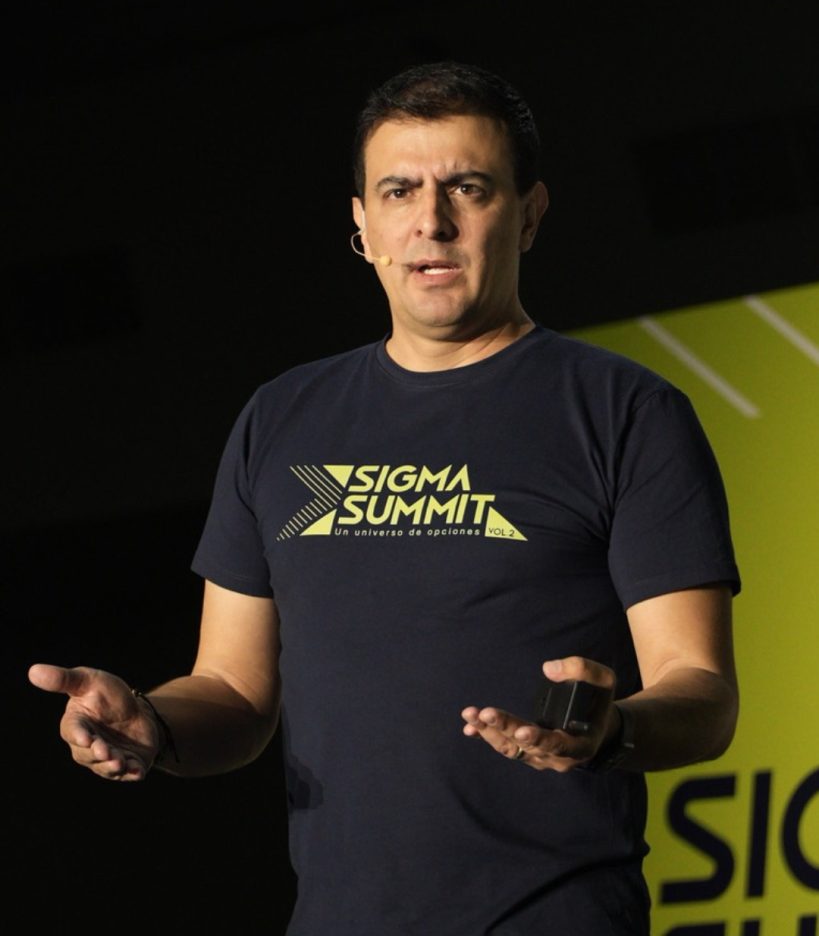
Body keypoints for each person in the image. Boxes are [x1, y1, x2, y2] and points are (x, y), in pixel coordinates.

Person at [29, 61, 740, 935]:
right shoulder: (281, 418)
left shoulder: (623, 412)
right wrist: (151, 724)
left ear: (529, 214)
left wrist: (611, 732)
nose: (429, 221)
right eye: (398, 191)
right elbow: (232, 694)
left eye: (467, 188)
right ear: (363, 226)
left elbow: (702, 694)